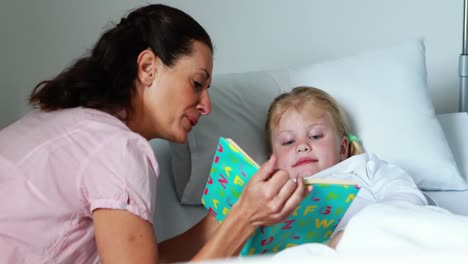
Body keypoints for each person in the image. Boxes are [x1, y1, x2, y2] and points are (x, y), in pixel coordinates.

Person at [0, 4, 310, 263]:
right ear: (148, 67)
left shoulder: (58, 124)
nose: (206, 105)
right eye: (197, 84)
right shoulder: (117, 147)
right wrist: (246, 218)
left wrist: (227, 216)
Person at [264, 86, 429, 252]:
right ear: (273, 159)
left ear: (342, 148)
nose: (302, 146)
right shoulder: (269, 193)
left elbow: (407, 197)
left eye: (315, 136)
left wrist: (355, 232)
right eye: (288, 141)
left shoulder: (363, 167)